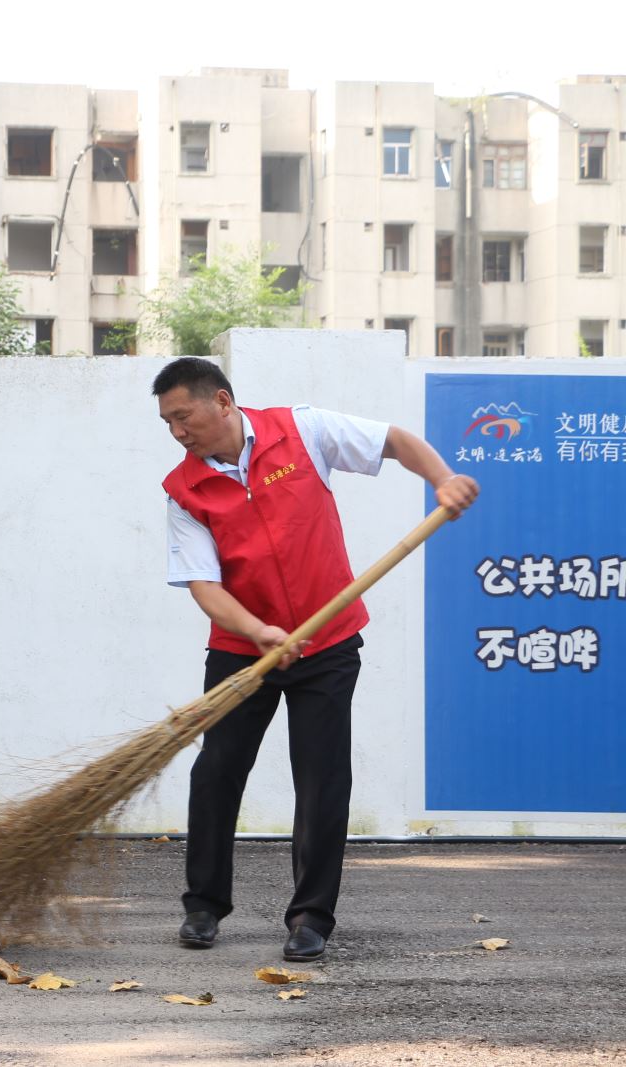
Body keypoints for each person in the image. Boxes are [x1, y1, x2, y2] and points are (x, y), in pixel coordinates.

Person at [152, 356, 478, 963]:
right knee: (217, 770)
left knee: (322, 778)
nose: (177, 431)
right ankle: (203, 906)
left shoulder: (300, 430)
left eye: (183, 416)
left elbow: (395, 442)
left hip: (328, 643)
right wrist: (259, 631)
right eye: (167, 422)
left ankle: (310, 917)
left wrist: (442, 478)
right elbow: (204, 586)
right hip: (243, 651)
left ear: (221, 401)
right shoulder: (183, 490)